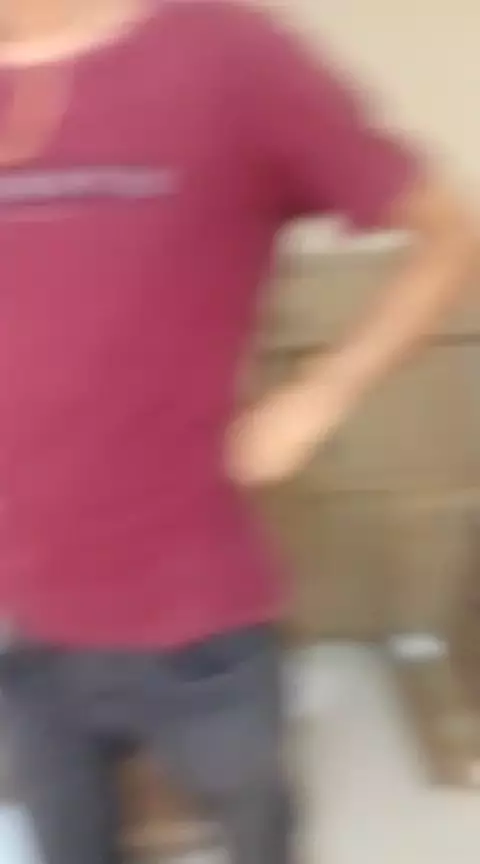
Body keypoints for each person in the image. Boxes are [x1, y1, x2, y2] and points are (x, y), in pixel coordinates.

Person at [0, 1, 475, 863]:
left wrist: (320, 395)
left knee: (258, 839)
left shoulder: (227, 54)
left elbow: (448, 234)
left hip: (199, 633)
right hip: (24, 632)